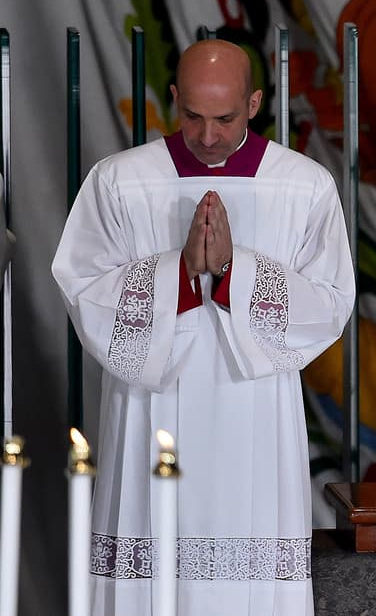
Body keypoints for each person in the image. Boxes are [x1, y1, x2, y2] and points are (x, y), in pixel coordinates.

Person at [53, 40, 355, 615]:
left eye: (225, 118)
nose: (208, 136)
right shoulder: (120, 181)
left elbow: (330, 303)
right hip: (151, 404)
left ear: (255, 103)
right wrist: (179, 269)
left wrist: (233, 271)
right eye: (192, 116)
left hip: (254, 413)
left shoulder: (304, 186)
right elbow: (85, 289)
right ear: (173, 100)